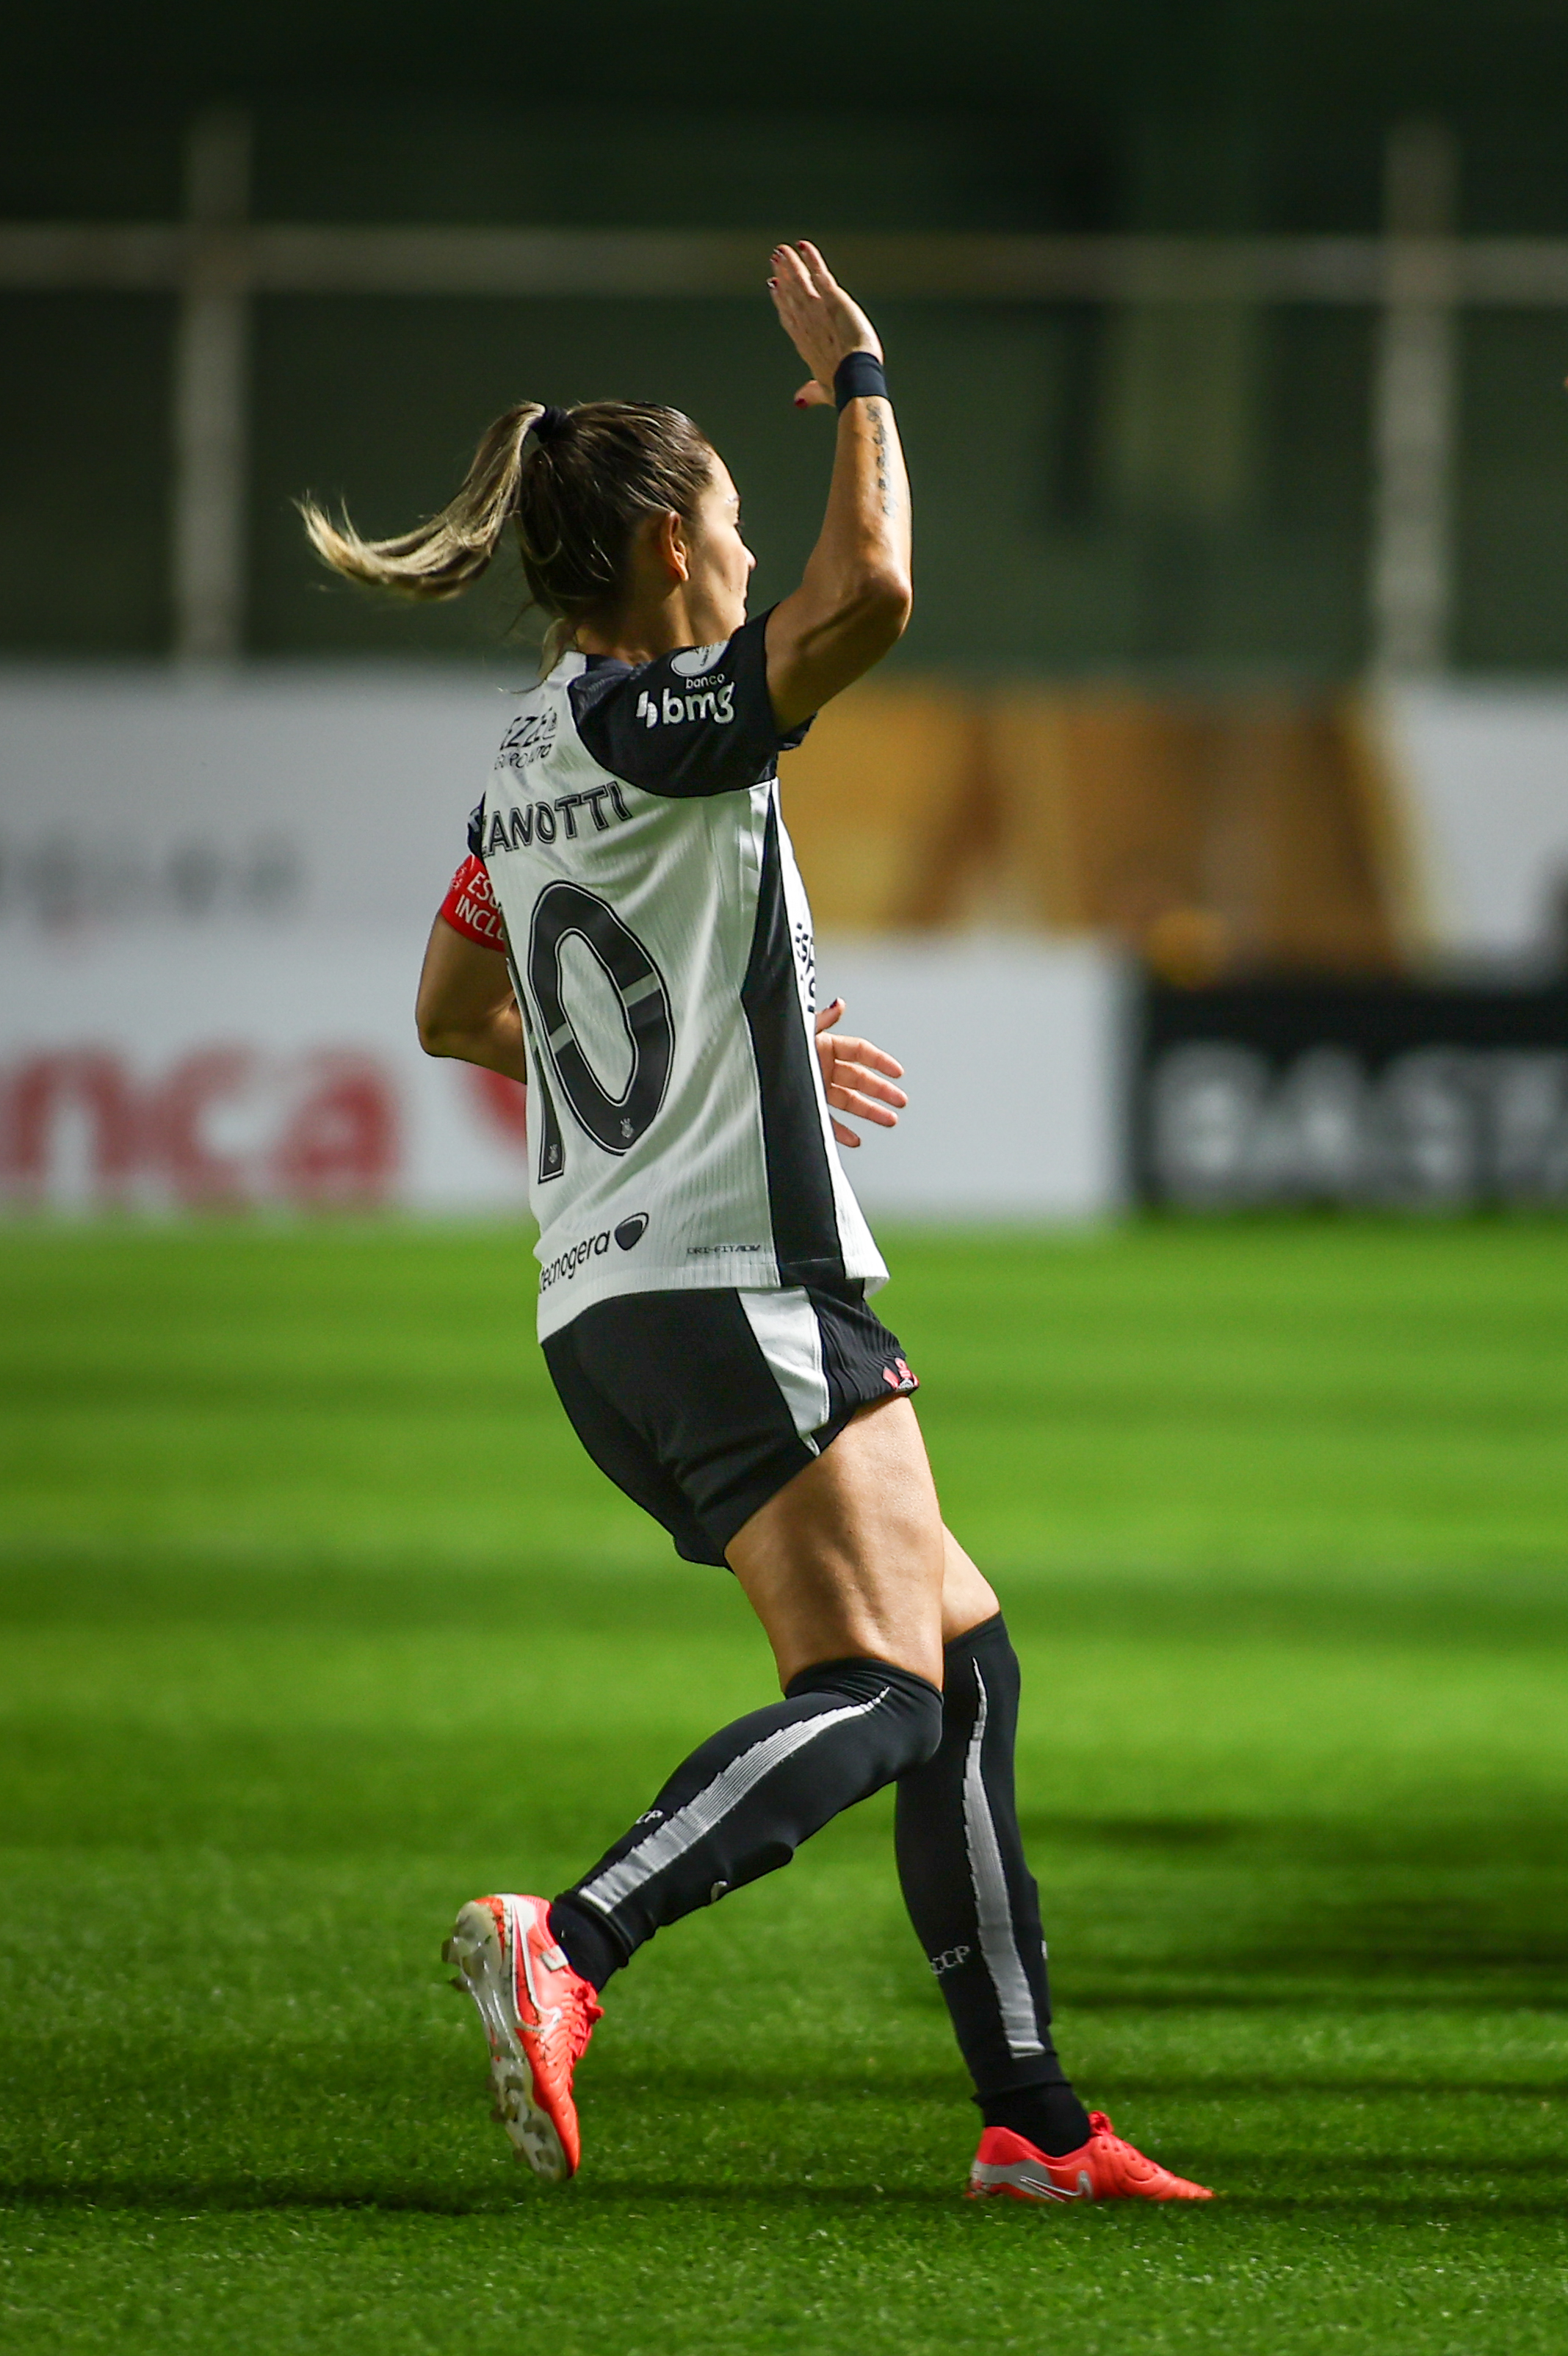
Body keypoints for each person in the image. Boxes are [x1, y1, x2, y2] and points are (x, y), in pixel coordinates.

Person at [323, 243, 1207, 2204]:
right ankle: (575, 1939)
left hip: (608, 1308)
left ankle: (1036, 2124)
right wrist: (869, 378)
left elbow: (459, 1014)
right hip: (740, 1279)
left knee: (963, 1661)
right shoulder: (657, 718)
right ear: (658, 550)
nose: (743, 554)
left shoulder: (533, 759)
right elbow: (871, 597)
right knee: (885, 1690)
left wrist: (757, 1046)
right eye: (723, 520)